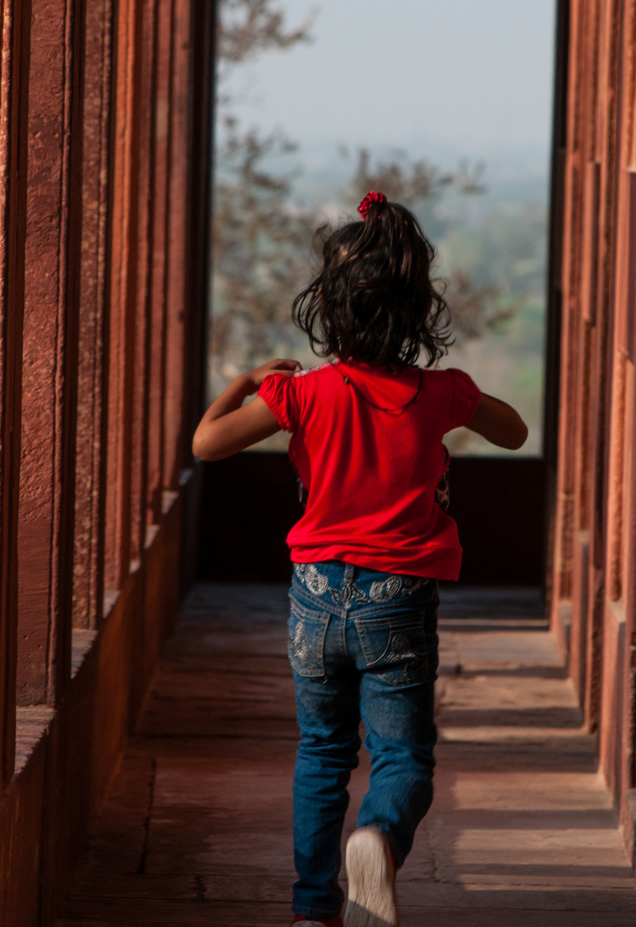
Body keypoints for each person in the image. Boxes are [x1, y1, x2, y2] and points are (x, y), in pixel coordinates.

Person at [192, 191, 529, 927]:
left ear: (329, 308)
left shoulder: (299, 395)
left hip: (314, 595)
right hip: (399, 599)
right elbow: (514, 431)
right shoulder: (442, 394)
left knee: (320, 753)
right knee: (402, 757)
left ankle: (314, 910)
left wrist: (247, 381)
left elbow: (206, 445)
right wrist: (460, 401)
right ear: (417, 312)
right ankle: (375, 836)